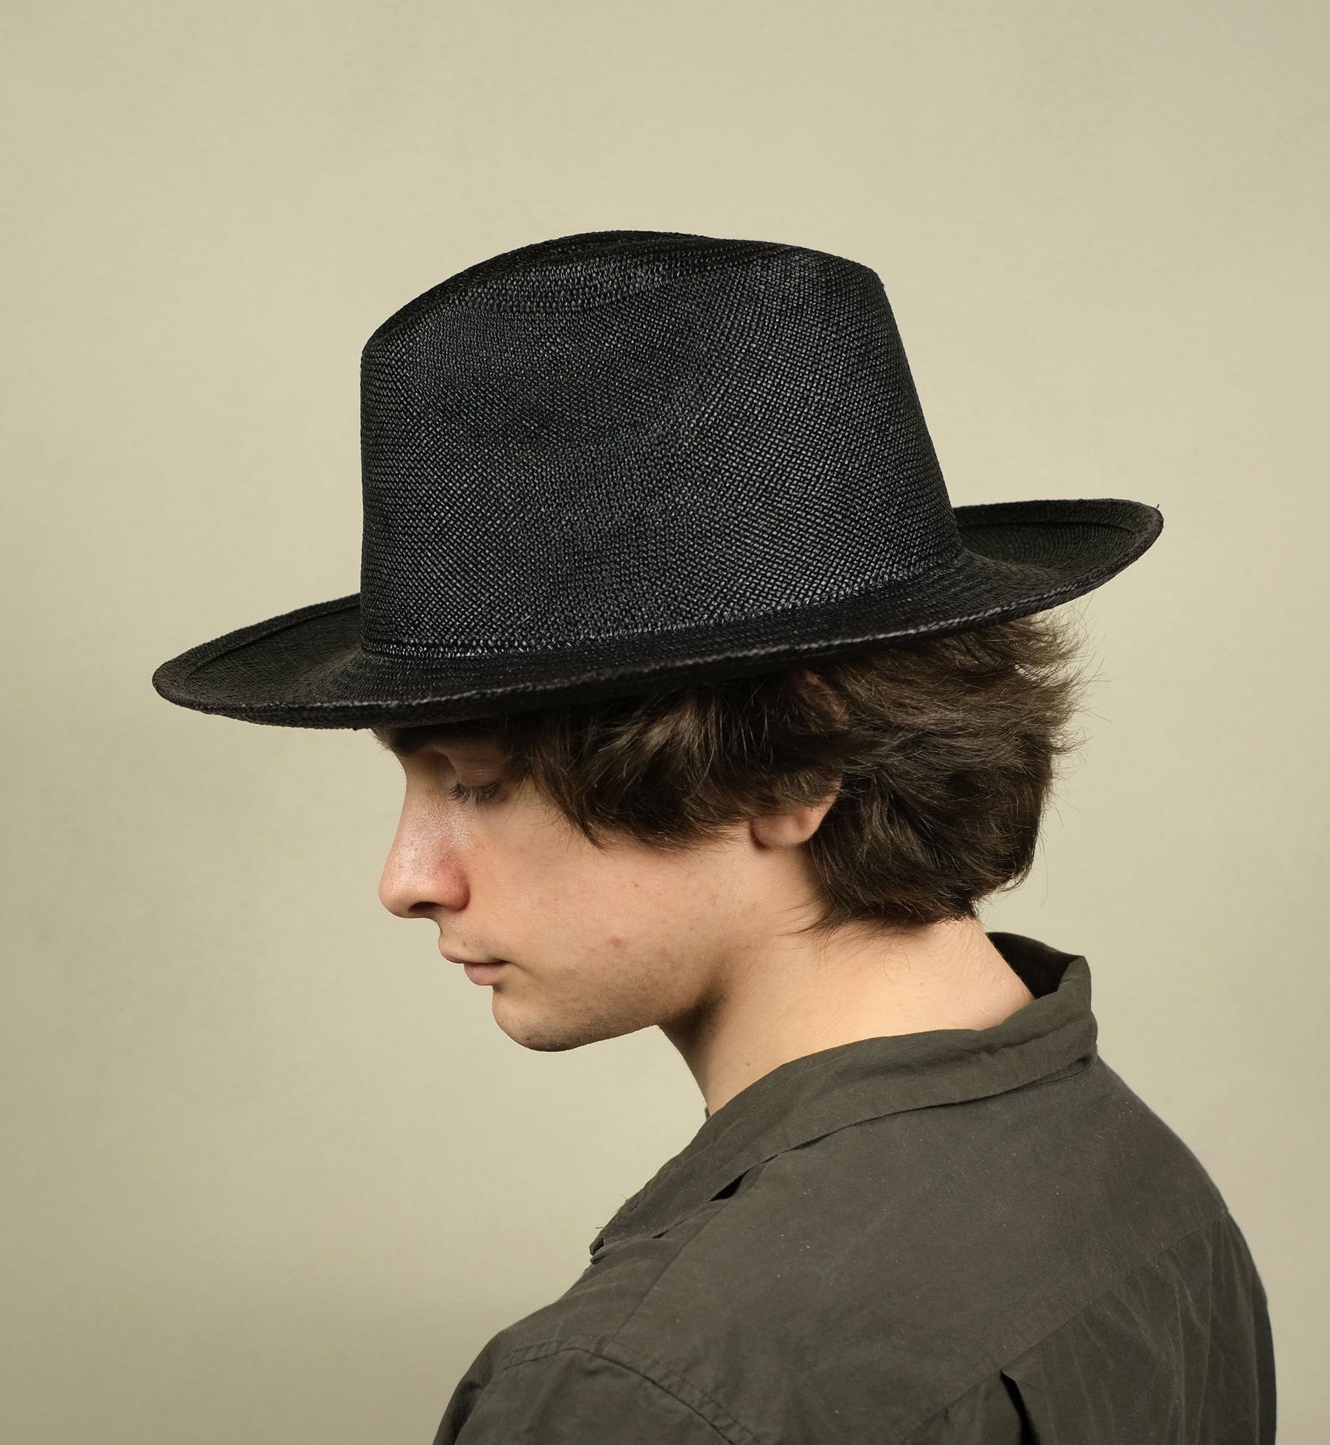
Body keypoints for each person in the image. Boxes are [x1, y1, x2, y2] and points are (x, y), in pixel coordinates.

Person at [153, 230, 1276, 1442]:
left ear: (791, 766)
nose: (405, 879)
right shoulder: (1151, 1196)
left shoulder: (642, 1387)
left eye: (472, 782)